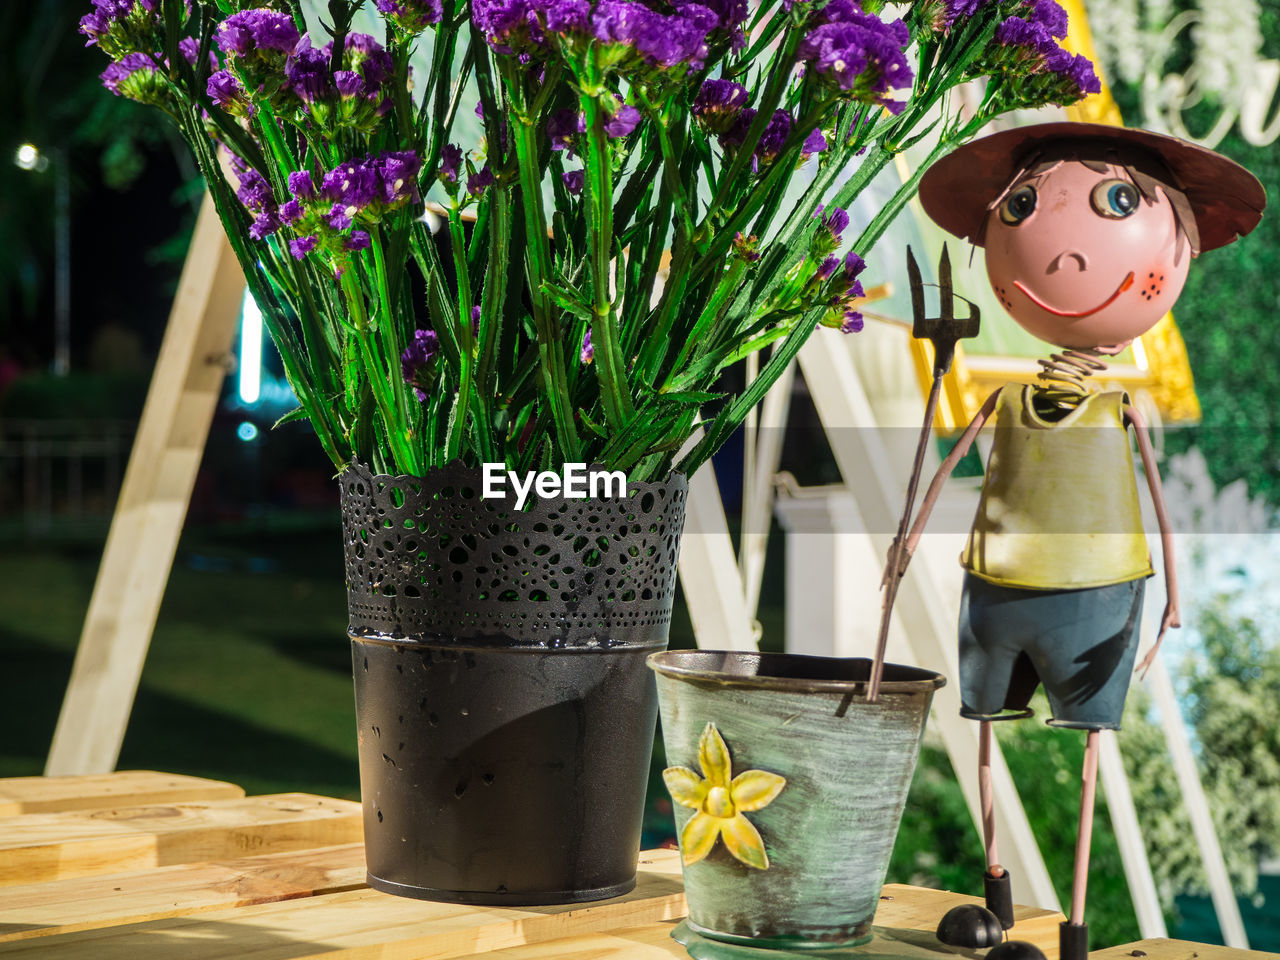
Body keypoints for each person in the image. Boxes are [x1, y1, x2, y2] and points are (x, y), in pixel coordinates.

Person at [890, 121, 1265, 960]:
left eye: (1119, 202)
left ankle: (1076, 925)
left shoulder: (1120, 406)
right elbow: (941, 468)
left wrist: (1172, 597)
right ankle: (994, 893)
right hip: (996, 585)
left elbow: (1162, 512)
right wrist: (905, 545)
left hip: (1098, 594)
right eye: (1022, 205)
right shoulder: (1007, 399)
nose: (1060, 255)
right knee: (984, 725)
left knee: (1092, 755)